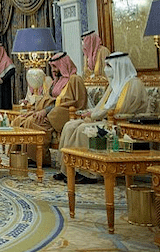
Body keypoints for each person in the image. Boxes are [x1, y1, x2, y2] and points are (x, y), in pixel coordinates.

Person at [54, 52, 148, 184]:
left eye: (109, 66)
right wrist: (90, 113)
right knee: (70, 126)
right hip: (104, 119)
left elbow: (121, 110)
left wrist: (94, 115)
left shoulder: (133, 84)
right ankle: (68, 169)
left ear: (119, 66)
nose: (106, 69)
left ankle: (88, 173)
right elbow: (102, 106)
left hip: (119, 124)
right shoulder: (113, 84)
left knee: (82, 129)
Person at [11, 51, 87, 164]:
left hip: (62, 115)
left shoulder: (75, 80)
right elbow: (47, 98)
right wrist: (34, 110)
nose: (53, 70)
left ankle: (41, 159)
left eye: (55, 67)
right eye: (52, 67)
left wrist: (45, 111)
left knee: (34, 122)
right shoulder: (57, 81)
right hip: (51, 112)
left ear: (64, 65)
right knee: (20, 120)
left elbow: (76, 102)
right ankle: (23, 156)